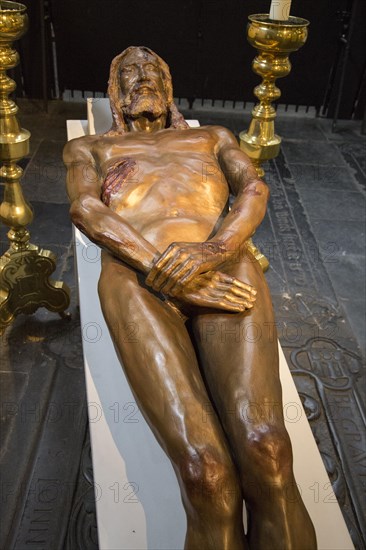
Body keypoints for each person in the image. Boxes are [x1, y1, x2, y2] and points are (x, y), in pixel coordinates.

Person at [64, 46, 317, 550]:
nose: (143, 78)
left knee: (267, 449)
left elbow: (254, 189)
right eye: (129, 73)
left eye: (153, 70)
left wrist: (217, 247)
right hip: (136, 277)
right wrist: (165, 269)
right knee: (207, 473)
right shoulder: (90, 148)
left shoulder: (212, 136)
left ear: (170, 85)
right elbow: (88, 209)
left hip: (221, 262)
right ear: (114, 93)